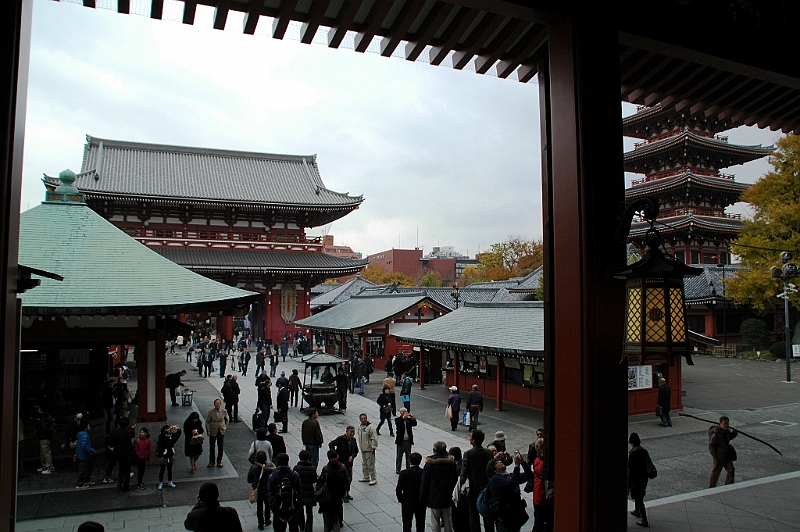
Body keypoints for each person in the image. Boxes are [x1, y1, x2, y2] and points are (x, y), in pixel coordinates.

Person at [487, 450, 533, 532]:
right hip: (504, 517)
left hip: (514, 514)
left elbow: (528, 475)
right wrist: (516, 466)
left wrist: (522, 462)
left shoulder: (508, 476)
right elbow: (511, 484)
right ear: (494, 470)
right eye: (497, 462)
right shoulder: (495, 479)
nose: (500, 462)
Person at [420, 440, 458, 532]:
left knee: (435, 520)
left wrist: (423, 497)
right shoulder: (451, 463)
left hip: (434, 496)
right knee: (448, 519)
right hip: (448, 495)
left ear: (434, 450)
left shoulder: (429, 464)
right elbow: (455, 479)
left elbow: (425, 482)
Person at [461, 429, 495, 532]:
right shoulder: (488, 452)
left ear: (474, 440)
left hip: (473, 487)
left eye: (471, 437)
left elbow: (464, 472)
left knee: (473, 515)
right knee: (487, 512)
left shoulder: (468, 454)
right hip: (487, 486)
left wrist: (461, 485)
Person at [267, 453, 304, 532]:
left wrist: (276, 513)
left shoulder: (272, 476)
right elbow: (300, 494)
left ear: (277, 462)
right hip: (292, 508)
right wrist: (295, 511)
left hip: (279, 509)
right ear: (288, 462)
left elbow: (270, 496)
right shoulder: (294, 475)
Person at [317, 450, 349, 532]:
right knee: (336, 519)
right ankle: (339, 522)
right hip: (337, 497)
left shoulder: (326, 469)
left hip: (327, 498)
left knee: (327, 521)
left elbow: (321, 482)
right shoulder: (342, 467)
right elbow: (346, 480)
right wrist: (346, 490)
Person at [396, 451, 425, 532]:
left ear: (410, 461)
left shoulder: (404, 473)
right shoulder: (423, 472)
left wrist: (402, 500)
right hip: (420, 502)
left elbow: (398, 489)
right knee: (420, 524)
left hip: (407, 502)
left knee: (407, 525)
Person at [329, 426, 358, 502]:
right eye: (351, 432)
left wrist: (352, 456)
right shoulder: (341, 439)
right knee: (343, 478)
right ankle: (343, 494)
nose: (352, 433)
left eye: (353, 432)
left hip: (349, 462)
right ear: (347, 431)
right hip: (341, 461)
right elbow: (331, 444)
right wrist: (335, 453)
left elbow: (356, 450)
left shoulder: (353, 440)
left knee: (349, 478)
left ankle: (347, 492)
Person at [628, 432, 651, 528]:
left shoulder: (633, 454)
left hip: (636, 479)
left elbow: (631, 469)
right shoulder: (644, 451)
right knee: (639, 495)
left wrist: (629, 482)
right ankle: (637, 511)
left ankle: (644, 520)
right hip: (644, 478)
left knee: (638, 498)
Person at [248, 450, 275, 530]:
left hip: (258, 488)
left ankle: (260, 523)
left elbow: (249, 479)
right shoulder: (269, 467)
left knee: (259, 505)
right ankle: (267, 518)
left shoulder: (254, 467)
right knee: (267, 503)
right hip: (267, 488)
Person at [708, 415, 738, 487]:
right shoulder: (716, 434)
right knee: (715, 472)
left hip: (726, 454)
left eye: (727, 423)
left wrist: (734, 433)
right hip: (719, 455)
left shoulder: (727, 431)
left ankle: (728, 485)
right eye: (725, 424)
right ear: (720, 423)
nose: (726, 425)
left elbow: (729, 437)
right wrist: (715, 455)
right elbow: (711, 445)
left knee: (731, 470)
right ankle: (711, 487)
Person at [531, 438, 553, 532]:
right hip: (541, 496)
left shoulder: (537, 460)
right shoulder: (541, 462)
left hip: (540, 495)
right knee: (539, 522)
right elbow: (543, 474)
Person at [293, 449, 317, 532]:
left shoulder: (296, 468)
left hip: (299, 491)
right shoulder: (312, 468)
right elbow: (314, 480)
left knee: (300, 509)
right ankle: (309, 528)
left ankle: (301, 526)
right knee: (309, 511)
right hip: (309, 491)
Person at [108, 416, 134, 491]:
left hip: (118, 452)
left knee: (121, 467)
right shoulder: (127, 431)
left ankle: (120, 483)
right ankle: (125, 486)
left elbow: (111, 443)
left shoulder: (114, 431)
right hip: (126, 452)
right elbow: (131, 437)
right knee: (127, 469)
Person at [450, 446, 469, 532]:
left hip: (458, 496)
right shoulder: (464, 464)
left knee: (458, 518)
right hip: (466, 496)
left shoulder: (455, 468)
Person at [156, 424, 181, 489]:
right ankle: (160, 482)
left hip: (170, 455)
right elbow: (160, 439)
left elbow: (177, 436)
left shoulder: (171, 436)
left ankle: (170, 482)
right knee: (162, 470)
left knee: (169, 470)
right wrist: (166, 431)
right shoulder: (161, 436)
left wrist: (178, 430)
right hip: (163, 456)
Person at [206, 398, 229, 468]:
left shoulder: (224, 411)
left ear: (220, 404)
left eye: (218, 404)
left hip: (221, 430)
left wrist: (225, 427)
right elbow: (208, 422)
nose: (217, 405)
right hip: (213, 430)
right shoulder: (211, 412)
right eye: (216, 404)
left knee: (220, 446)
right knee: (212, 446)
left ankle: (219, 461)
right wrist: (208, 430)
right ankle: (212, 461)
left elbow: (227, 419)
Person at [357, 413, 379, 485]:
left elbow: (374, 438)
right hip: (363, 448)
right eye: (362, 419)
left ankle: (373, 478)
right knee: (364, 464)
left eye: (364, 418)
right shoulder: (360, 427)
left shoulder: (370, 427)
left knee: (370, 464)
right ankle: (366, 476)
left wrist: (373, 447)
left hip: (369, 449)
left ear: (366, 418)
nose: (363, 420)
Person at [34, 405, 56, 474]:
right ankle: (45, 466)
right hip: (44, 436)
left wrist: (37, 432)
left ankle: (49, 467)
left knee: (46, 452)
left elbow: (44, 428)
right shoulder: (46, 416)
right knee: (43, 452)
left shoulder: (44, 417)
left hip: (44, 436)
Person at [74, 419, 95, 489]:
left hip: (82, 454)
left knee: (88, 468)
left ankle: (86, 480)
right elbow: (84, 446)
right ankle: (80, 484)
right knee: (83, 470)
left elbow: (78, 445)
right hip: (84, 455)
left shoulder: (80, 434)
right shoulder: (85, 436)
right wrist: (91, 450)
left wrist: (76, 453)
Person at [394, 408, 416, 473]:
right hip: (401, 441)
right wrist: (403, 418)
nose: (405, 413)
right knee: (399, 455)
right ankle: (398, 469)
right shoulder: (398, 419)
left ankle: (408, 467)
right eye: (403, 412)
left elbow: (414, 424)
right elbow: (398, 424)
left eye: (406, 412)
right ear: (401, 413)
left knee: (408, 455)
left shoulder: (408, 420)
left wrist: (413, 418)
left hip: (408, 440)